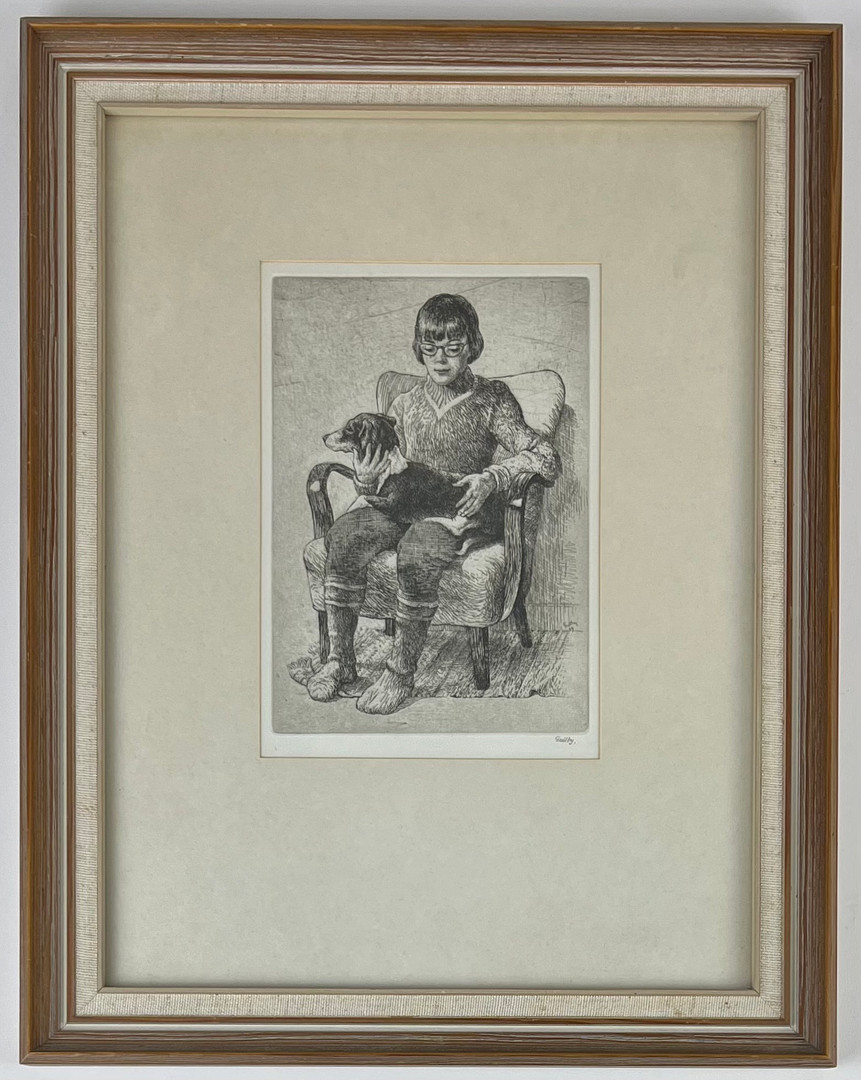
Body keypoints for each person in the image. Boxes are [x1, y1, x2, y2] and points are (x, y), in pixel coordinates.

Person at [307, 293, 561, 714]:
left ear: (472, 347)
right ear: (419, 349)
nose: (440, 358)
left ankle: (399, 673)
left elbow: (545, 458)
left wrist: (493, 477)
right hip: (401, 504)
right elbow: (387, 472)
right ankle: (340, 661)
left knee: (419, 549)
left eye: (453, 347)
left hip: (456, 510)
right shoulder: (405, 404)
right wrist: (367, 479)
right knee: (346, 535)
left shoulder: (492, 398)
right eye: (430, 348)